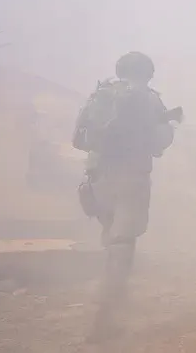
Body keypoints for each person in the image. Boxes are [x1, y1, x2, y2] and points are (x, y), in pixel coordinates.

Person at [72, 51, 179, 342]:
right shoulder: (149, 98)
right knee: (123, 244)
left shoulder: (102, 94)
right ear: (148, 72)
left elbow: (79, 138)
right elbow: (159, 142)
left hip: (97, 178)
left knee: (110, 235)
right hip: (131, 177)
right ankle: (106, 316)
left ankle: (108, 299)